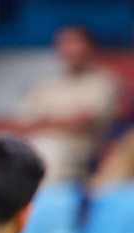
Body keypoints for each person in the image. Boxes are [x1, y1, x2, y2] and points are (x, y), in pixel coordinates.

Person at [12, 25, 121, 183]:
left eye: (75, 43)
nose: (70, 49)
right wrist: (61, 121)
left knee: (46, 157)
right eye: (64, 43)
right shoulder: (46, 84)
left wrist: (43, 122)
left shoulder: (104, 82)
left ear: (90, 47)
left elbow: (81, 122)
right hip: (34, 145)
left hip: (77, 154)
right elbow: (21, 124)